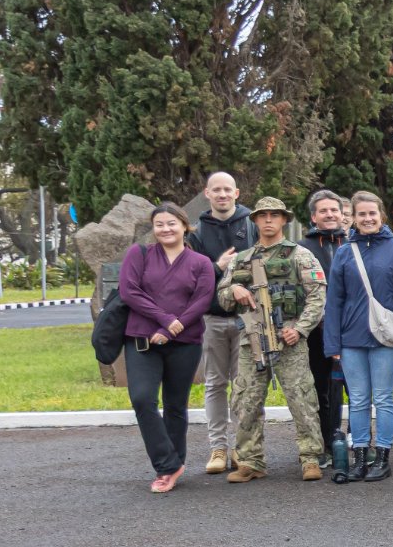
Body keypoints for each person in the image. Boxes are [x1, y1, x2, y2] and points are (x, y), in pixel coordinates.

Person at [214, 196, 329, 483]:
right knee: (246, 400)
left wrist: (300, 329)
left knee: (301, 399)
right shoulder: (241, 260)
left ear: (284, 220)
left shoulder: (299, 255)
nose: (268, 220)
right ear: (254, 220)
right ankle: (251, 460)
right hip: (251, 340)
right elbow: (222, 297)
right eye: (262, 215)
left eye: (274, 215)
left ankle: (310, 457)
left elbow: (317, 296)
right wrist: (235, 291)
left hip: (289, 337)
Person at [121, 204, 217, 493]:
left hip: (185, 344)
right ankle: (167, 462)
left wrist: (171, 329)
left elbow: (202, 300)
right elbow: (129, 291)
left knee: (175, 405)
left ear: (185, 226)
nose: (165, 229)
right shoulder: (139, 254)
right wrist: (165, 321)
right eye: (159, 224)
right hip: (142, 341)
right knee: (142, 399)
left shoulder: (201, 262)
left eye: (171, 223)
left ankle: (173, 465)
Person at [323, 191, 393, 483]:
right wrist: (332, 343)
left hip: (386, 338)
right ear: (353, 217)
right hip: (351, 338)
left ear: (381, 216)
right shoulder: (344, 251)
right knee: (359, 400)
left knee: (383, 398)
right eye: (361, 214)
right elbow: (334, 300)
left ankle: (382, 457)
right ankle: (360, 458)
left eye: (372, 214)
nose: (367, 219)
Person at [188, 170, 254, 476]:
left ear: (237, 193)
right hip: (213, 319)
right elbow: (192, 280)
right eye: (217, 190)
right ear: (207, 193)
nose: (223, 194)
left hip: (248, 318)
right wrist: (217, 267)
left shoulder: (252, 224)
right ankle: (218, 447)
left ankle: (244, 446)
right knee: (215, 383)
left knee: (245, 385)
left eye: (228, 189)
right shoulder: (196, 233)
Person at [299, 189, 349, 465]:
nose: (329, 214)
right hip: (315, 331)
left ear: (342, 214)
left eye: (334, 210)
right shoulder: (302, 248)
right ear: (313, 217)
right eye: (323, 211)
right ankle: (326, 443)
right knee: (322, 387)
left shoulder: (353, 244)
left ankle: (356, 440)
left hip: (351, 329)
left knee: (354, 387)